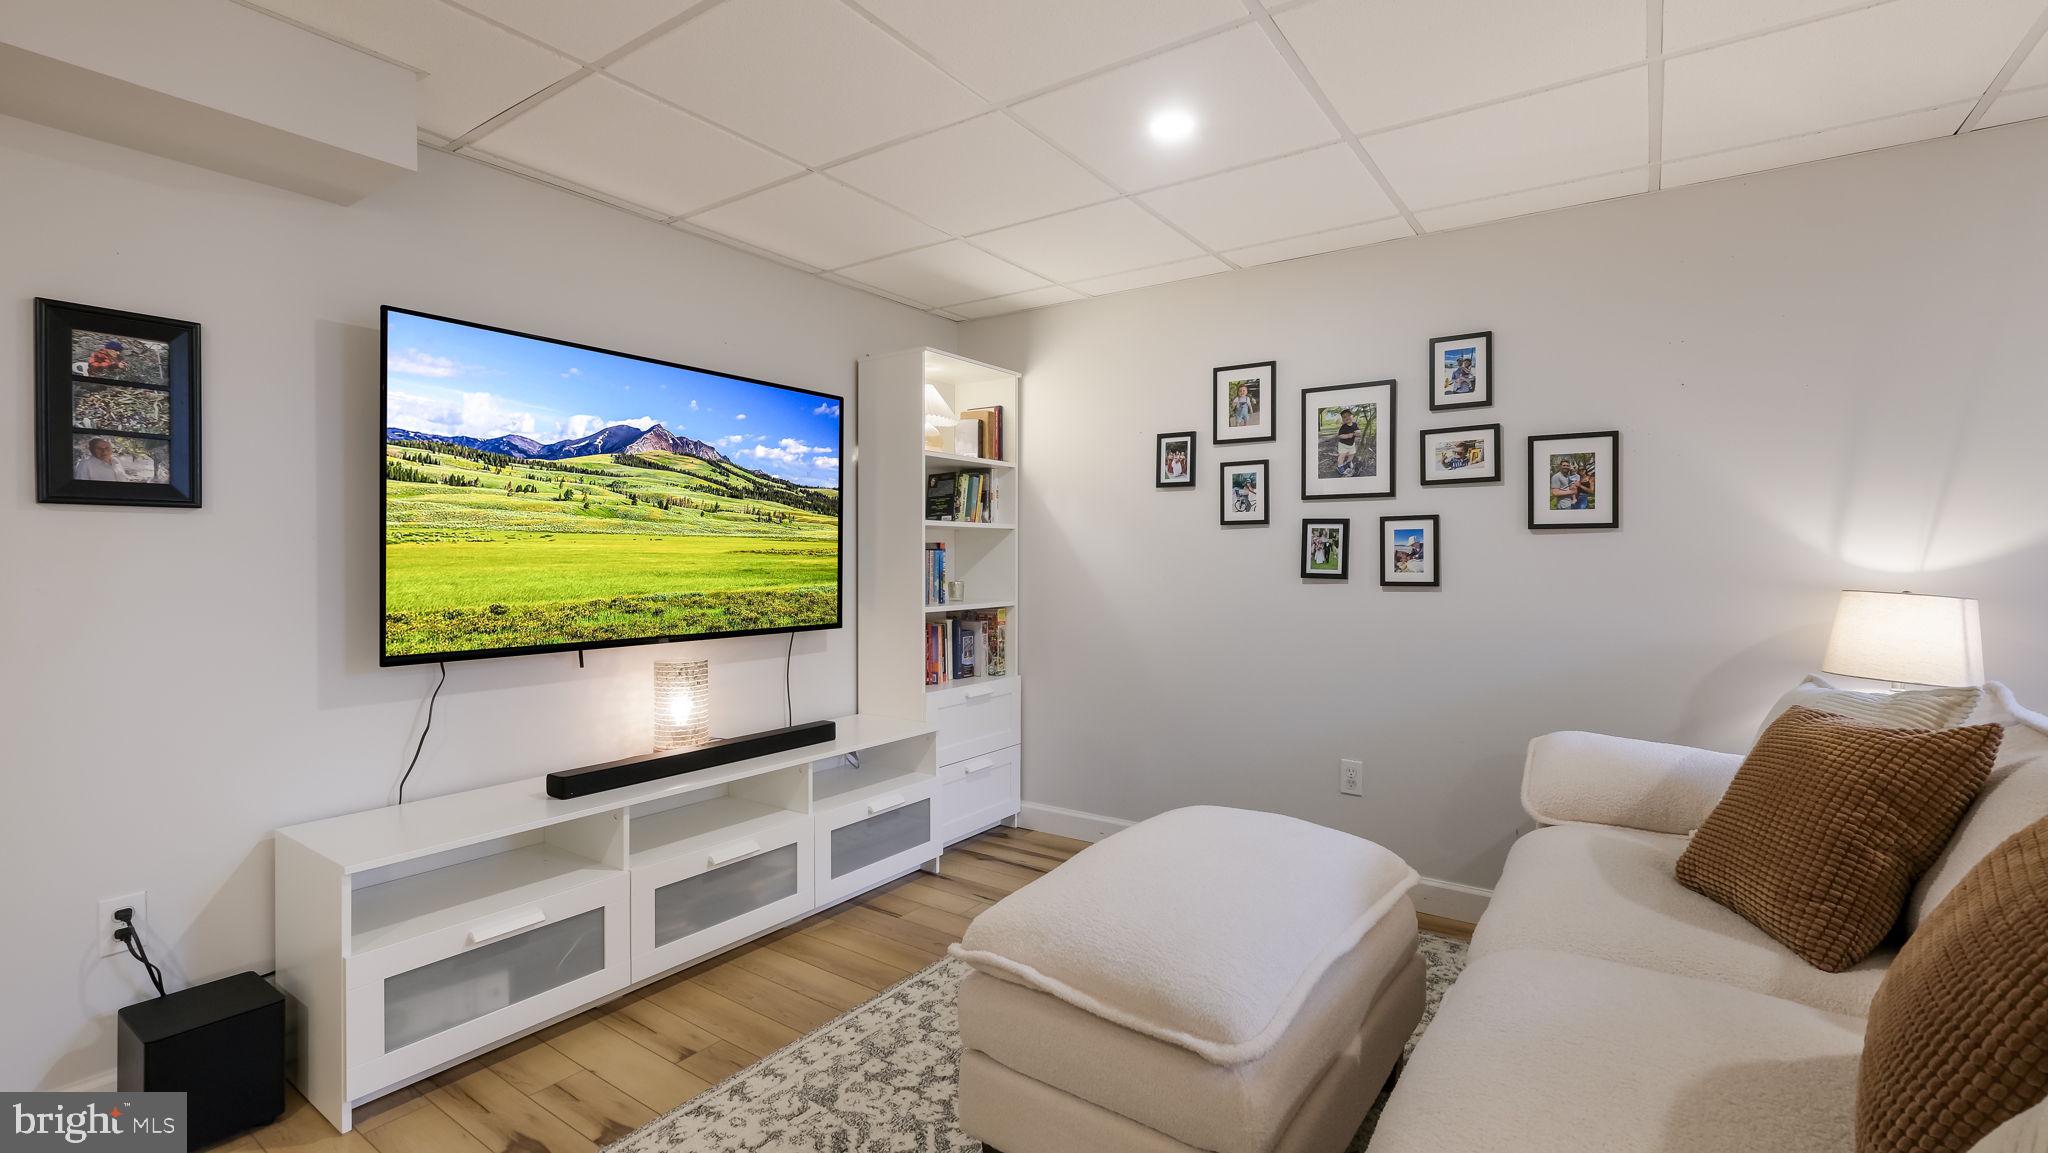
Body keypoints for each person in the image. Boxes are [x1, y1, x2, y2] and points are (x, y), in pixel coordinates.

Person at [1334, 408, 1360, 476]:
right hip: (1343, 445)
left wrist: (1358, 432)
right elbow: (1340, 436)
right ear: (1343, 419)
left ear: (1352, 416)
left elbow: (1358, 430)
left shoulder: (1355, 424)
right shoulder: (1343, 427)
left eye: (1349, 415)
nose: (1347, 417)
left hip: (1351, 444)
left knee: (1352, 454)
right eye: (1344, 417)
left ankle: (1348, 462)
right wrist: (1348, 435)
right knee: (1342, 456)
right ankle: (1340, 466)